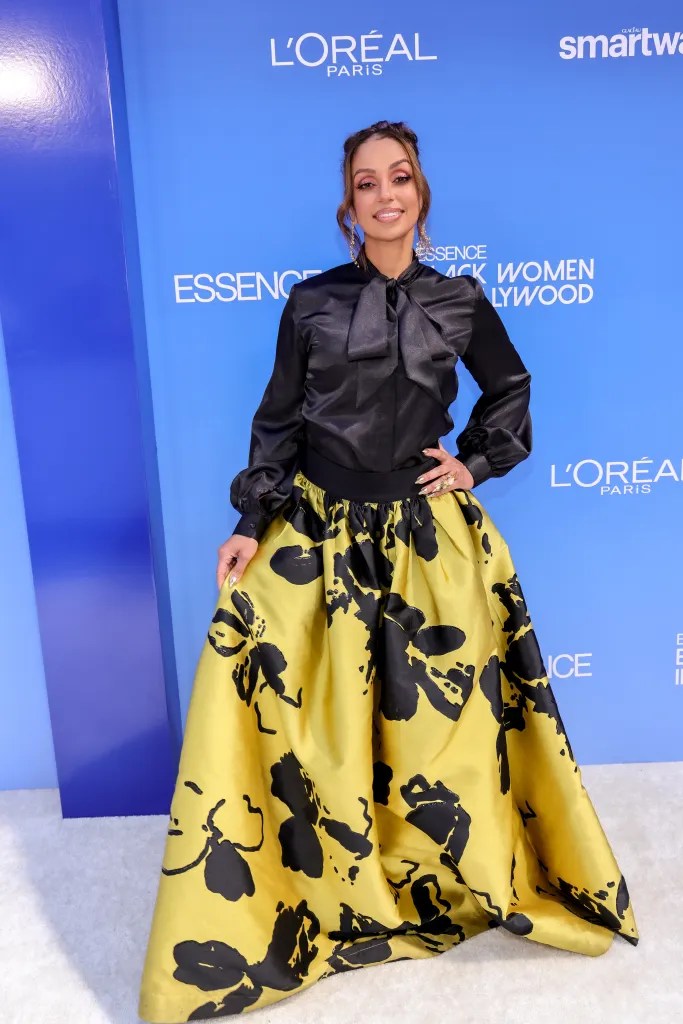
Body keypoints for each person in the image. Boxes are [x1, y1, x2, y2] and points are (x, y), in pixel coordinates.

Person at [138, 120, 638, 1023]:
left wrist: (473, 464)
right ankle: (334, 884)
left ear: (420, 192)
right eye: (366, 183)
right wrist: (249, 524)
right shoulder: (310, 303)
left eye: (398, 177)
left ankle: (436, 874)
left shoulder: (460, 299)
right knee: (316, 716)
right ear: (348, 205)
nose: (384, 195)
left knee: (440, 727)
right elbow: (278, 421)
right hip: (321, 534)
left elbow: (511, 389)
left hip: (424, 540)